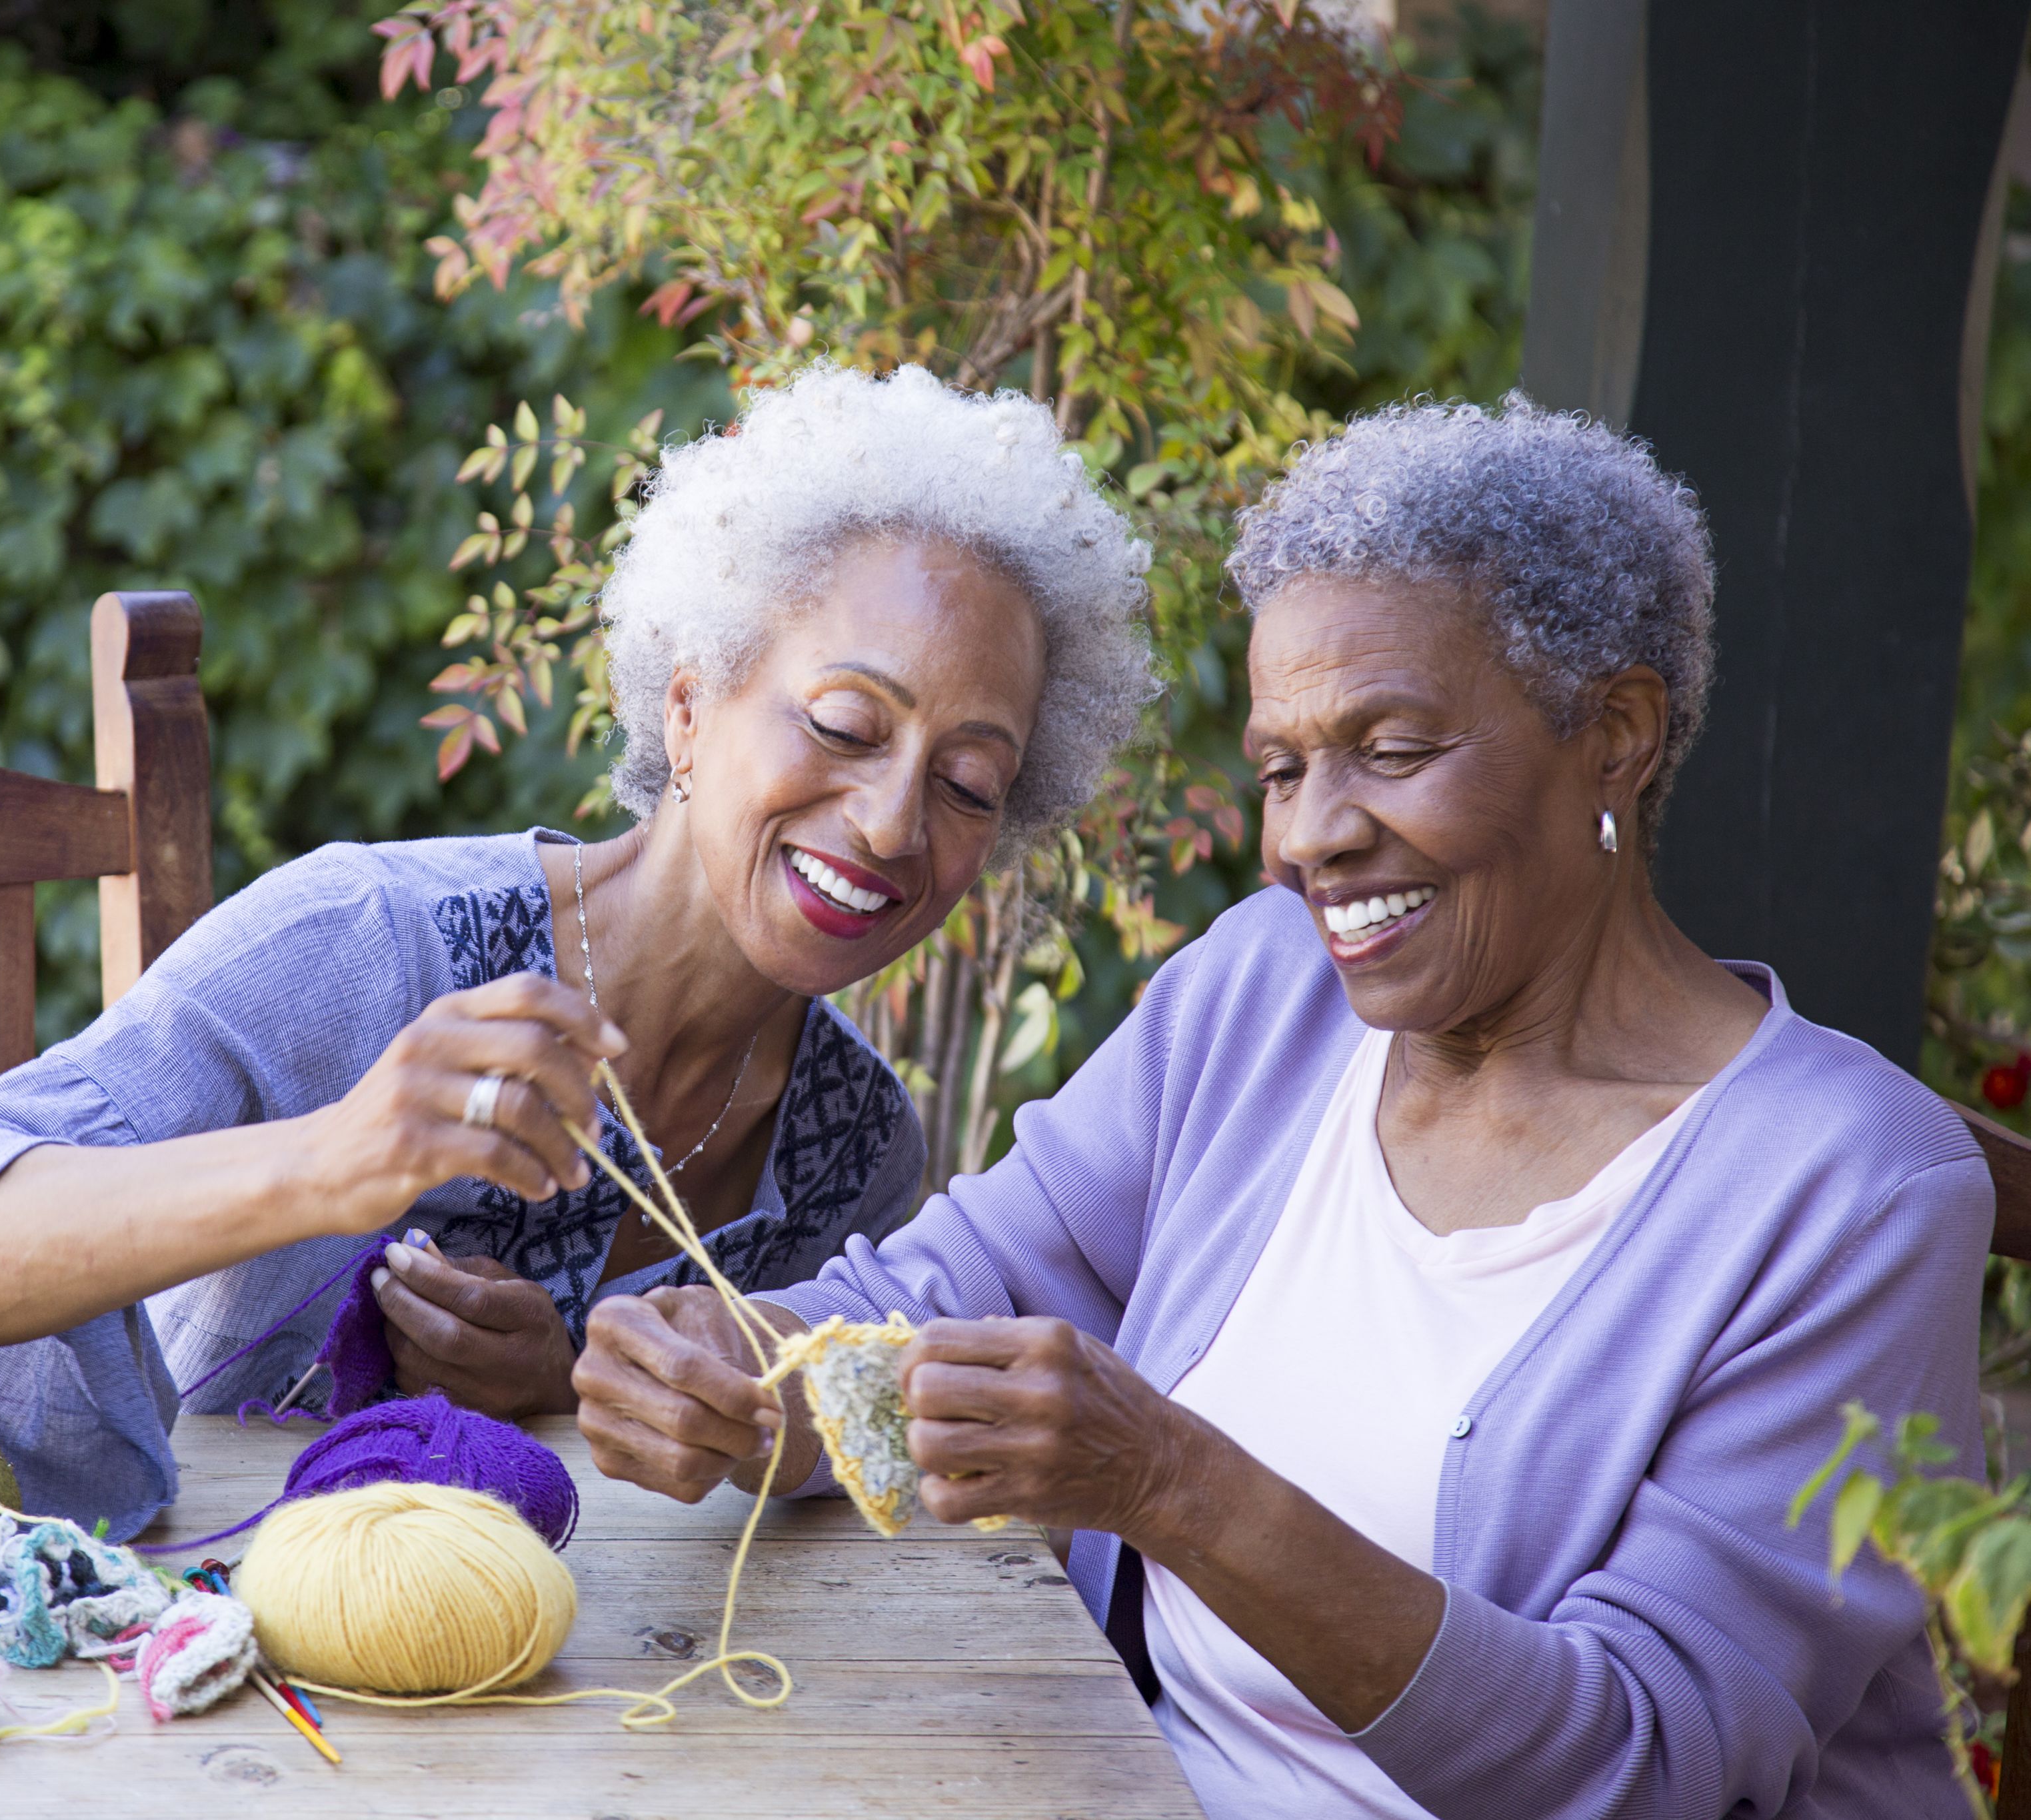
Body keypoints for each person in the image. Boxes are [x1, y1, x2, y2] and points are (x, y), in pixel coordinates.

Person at [573, 397, 1992, 1819]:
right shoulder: (1267, 993)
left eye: (1388, 747)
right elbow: (931, 1298)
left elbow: (1637, 1762)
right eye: (1280, 765)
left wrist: (1174, 1482)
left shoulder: (1848, 1191)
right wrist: (741, 1376)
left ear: (1612, 734)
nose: (1311, 833)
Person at [0, 364, 1156, 1536]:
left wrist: (564, 1373)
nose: (888, 821)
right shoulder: (367, 948)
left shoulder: (856, 1143)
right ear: (688, 709)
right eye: (846, 726)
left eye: (968, 782)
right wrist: (337, 1160)